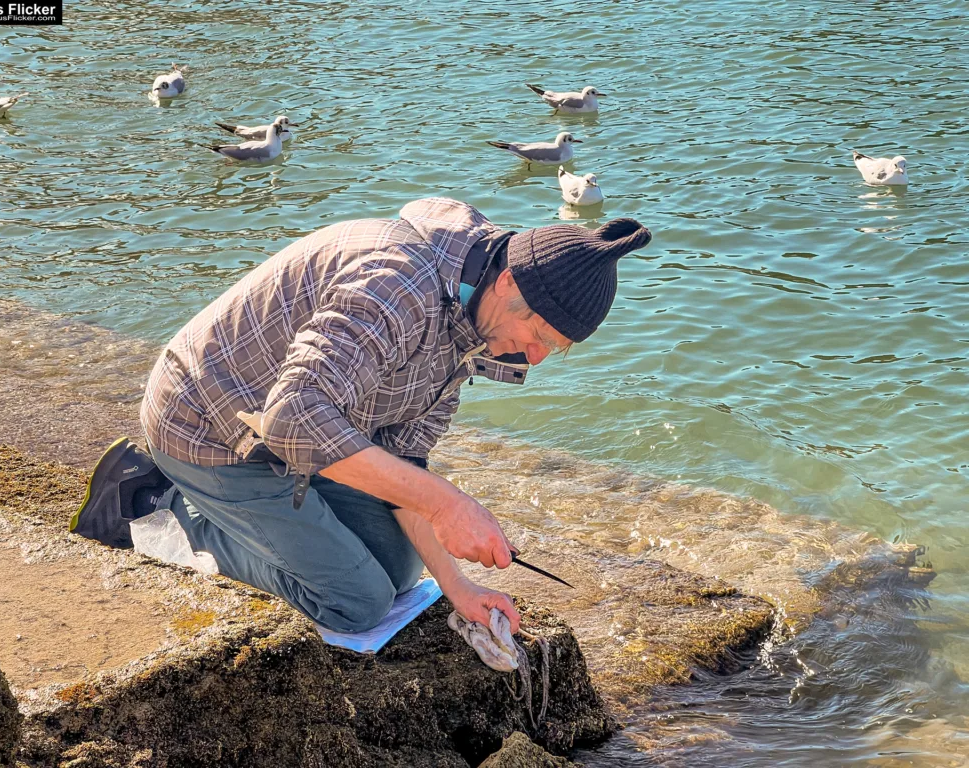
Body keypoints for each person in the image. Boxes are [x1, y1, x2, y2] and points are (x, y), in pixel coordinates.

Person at [73, 197, 651, 634]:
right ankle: (151, 503)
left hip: (299, 434)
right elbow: (295, 418)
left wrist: (459, 587)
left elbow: (404, 459)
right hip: (207, 427)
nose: (535, 356)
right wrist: (449, 503)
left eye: (558, 348)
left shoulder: (473, 322)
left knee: (401, 572)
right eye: (539, 334)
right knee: (356, 603)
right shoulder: (399, 284)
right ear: (506, 282)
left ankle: (265, 519)